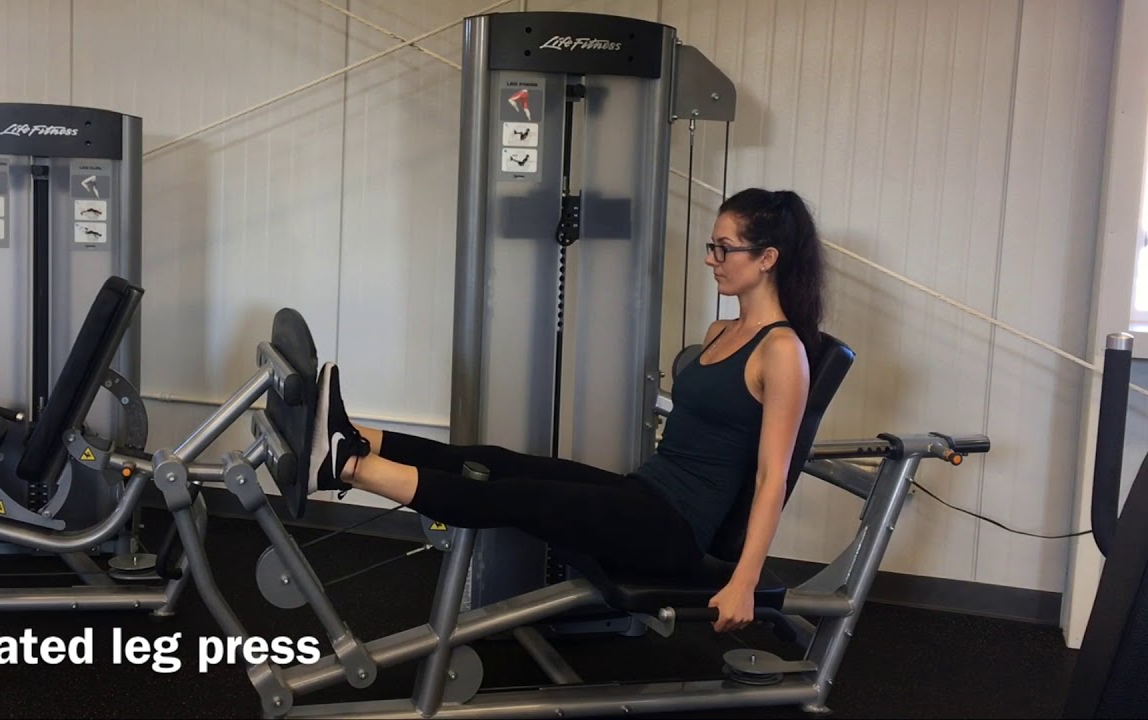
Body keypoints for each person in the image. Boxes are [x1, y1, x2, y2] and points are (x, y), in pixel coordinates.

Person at [305, 188, 826, 634]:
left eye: (724, 248)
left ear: (767, 258)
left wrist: (744, 582)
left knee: (509, 496)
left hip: (672, 533)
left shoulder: (782, 352)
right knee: (492, 459)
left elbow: (770, 478)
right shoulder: (720, 332)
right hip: (642, 493)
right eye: (711, 246)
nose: (711, 258)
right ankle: (348, 431)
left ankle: (345, 465)